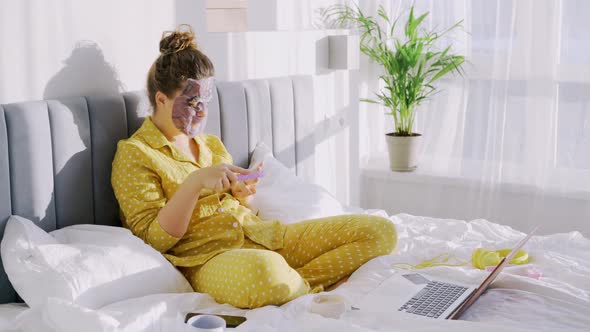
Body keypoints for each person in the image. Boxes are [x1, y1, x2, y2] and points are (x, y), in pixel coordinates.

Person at [111, 25, 397, 309]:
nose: (202, 112)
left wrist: (243, 194)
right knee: (265, 271)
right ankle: (301, 287)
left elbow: (243, 209)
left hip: (266, 236)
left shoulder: (210, 144)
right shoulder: (135, 154)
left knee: (381, 231)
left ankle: (298, 285)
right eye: (193, 101)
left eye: (207, 102)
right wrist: (195, 182)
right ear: (161, 99)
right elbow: (153, 239)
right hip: (209, 258)